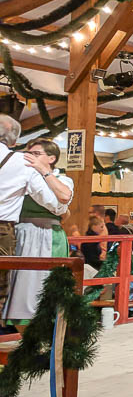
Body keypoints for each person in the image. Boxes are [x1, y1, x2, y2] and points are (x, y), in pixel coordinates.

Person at [2, 138, 74, 329]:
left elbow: (61, 203)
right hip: (20, 233)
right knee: (19, 291)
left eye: (36, 154)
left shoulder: (63, 179)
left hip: (48, 236)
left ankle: (49, 334)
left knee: (44, 286)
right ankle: (25, 336)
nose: (30, 157)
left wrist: (43, 174)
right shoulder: (22, 174)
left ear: (51, 158)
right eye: (29, 153)